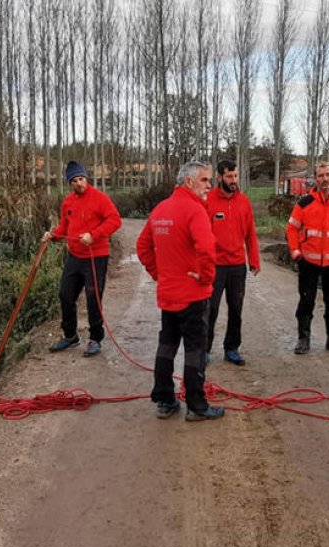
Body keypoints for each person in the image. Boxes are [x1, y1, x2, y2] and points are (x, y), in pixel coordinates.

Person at [136, 161, 225, 422]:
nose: (210, 186)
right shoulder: (195, 210)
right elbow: (208, 250)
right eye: (205, 180)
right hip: (193, 295)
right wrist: (206, 278)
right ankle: (197, 405)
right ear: (189, 182)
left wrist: (159, 274)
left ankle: (164, 400)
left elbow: (142, 247)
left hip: (169, 294)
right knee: (195, 350)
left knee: (166, 346)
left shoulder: (160, 209)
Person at [42, 161, 122, 357]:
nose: (79, 183)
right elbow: (64, 227)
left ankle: (95, 338)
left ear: (86, 178)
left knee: (93, 298)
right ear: (70, 183)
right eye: (75, 180)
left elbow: (115, 220)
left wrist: (93, 235)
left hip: (96, 257)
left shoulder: (100, 198)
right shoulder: (68, 202)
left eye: (82, 178)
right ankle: (70, 336)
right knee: (65, 294)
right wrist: (53, 236)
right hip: (74, 256)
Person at [286, 162, 329, 356]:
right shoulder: (304, 203)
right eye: (321, 175)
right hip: (309, 261)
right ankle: (303, 338)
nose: (325, 179)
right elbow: (291, 228)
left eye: (328, 175)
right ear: (316, 179)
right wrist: (296, 252)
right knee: (306, 300)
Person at [205, 159, 260, 366]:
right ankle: (205, 349)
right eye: (229, 176)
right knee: (210, 309)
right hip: (215, 266)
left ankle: (232, 348)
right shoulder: (208, 200)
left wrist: (253, 260)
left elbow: (250, 234)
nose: (233, 180)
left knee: (236, 309)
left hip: (237, 265)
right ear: (219, 177)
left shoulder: (243, 201)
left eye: (235, 176)